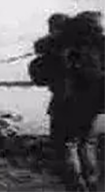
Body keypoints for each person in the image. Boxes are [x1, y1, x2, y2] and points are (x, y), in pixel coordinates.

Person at [30, 11, 105, 192]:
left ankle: (77, 188)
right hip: (93, 105)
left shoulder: (57, 48)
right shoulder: (96, 48)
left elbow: (40, 77)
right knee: (87, 145)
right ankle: (93, 185)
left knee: (66, 147)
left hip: (64, 105)